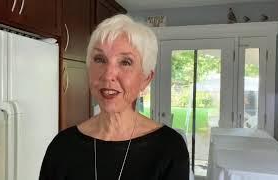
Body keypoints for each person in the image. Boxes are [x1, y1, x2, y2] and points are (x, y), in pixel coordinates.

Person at [39, 14, 189, 180]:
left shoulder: (170, 148)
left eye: (125, 62)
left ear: (145, 79)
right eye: (100, 59)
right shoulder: (62, 146)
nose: (108, 75)